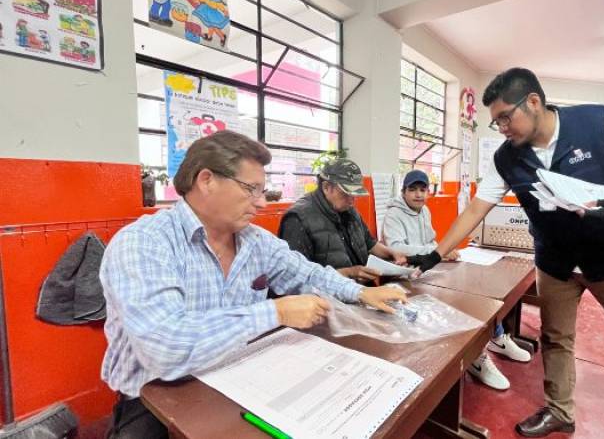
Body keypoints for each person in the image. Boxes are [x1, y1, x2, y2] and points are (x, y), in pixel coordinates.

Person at [407, 68, 604, 437]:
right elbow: (475, 209)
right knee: (555, 337)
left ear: (534, 101)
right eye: (495, 122)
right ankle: (559, 410)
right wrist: (435, 255)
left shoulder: (598, 122)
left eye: (506, 116)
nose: (502, 127)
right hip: (556, 261)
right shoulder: (507, 157)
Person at [100, 132, 406, 438]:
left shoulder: (255, 241)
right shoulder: (144, 243)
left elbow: (306, 273)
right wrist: (274, 312)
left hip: (236, 376)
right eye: (251, 189)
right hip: (156, 398)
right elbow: (166, 348)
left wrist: (361, 292)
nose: (261, 202)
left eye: (263, 190)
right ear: (207, 180)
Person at [383, 169, 530, 390]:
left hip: (429, 270)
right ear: (403, 192)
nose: (418, 195)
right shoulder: (394, 215)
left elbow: (432, 241)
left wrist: (442, 252)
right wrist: (438, 251)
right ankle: (476, 358)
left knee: (476, 291)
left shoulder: (424, 211)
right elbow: (397, 249)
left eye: (422, 190)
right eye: (412, 190)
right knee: (459, 302)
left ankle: (497, 338)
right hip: (406, 277)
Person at [279, 158, 406, 285]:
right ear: (326, 187)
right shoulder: (298, 219)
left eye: (354, 195)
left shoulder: (348, 209)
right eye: (346, 194)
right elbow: (297, 277)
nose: (352, 201)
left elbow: (369, 243)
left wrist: (391, 253)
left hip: (360, 291)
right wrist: (350, 273)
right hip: (328, 299)